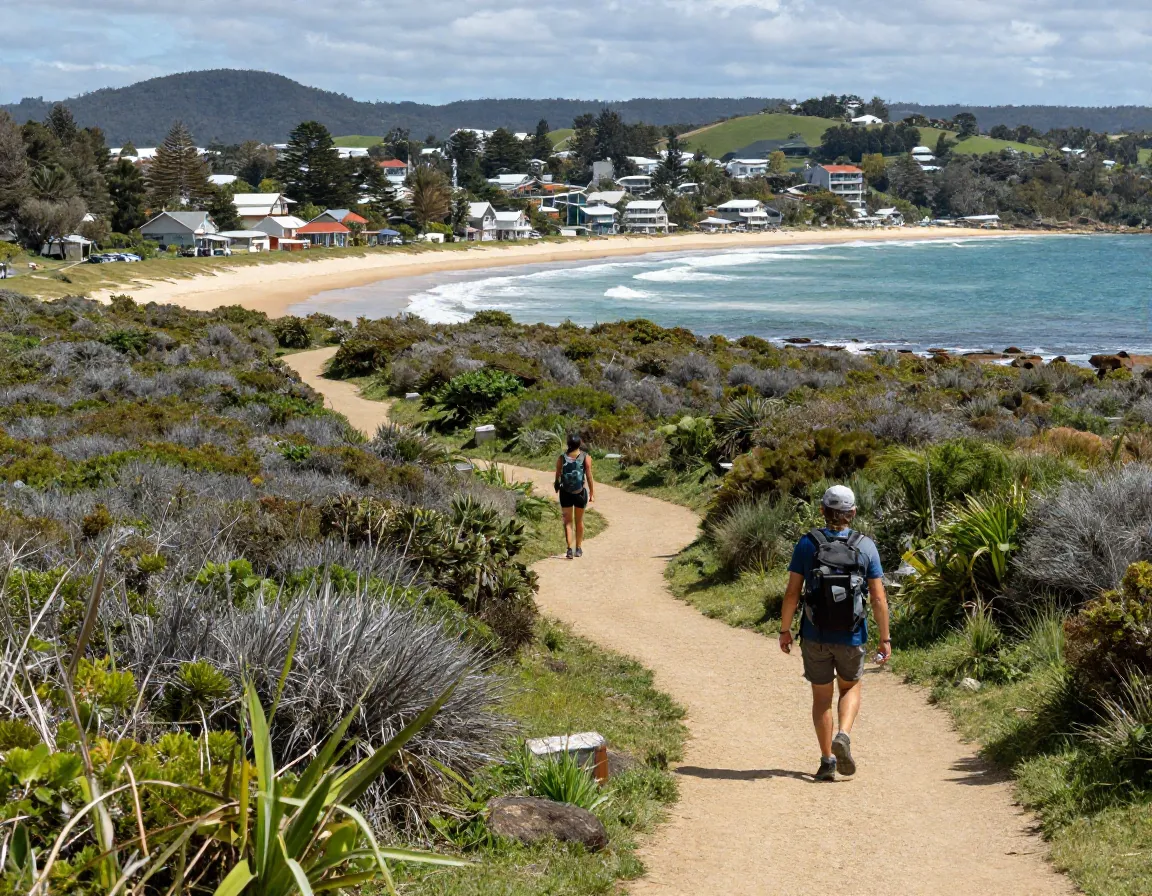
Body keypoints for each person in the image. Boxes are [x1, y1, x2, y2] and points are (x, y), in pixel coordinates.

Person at [779, 485, 891, 781]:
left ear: (822, 511)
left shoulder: (807, 544)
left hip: (815, 634)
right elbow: (878, 599)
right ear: (853, 513)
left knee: (821, 697)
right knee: (850, 687)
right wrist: (884, 638)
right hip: (852, 635)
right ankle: (843, 734)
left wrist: (785, 630)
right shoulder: (866, 546)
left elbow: (792, 593)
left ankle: (828, 760)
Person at [554, 434, 594, 560]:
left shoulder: (562, 458)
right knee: (579, 521)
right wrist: (592, 493)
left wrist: (556, 484)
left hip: (565, 493)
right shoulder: (585, 457)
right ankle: (579, 548)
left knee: (567, 522)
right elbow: (589, 476)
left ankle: (569, 549)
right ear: (580, 444)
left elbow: (558, 473)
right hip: (580, 493)